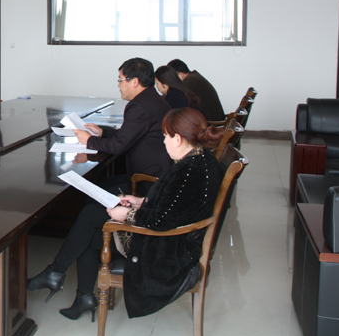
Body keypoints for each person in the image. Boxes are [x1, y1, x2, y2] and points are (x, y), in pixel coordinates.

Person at [28, 108, 224, 321]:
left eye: (166, 137)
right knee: (90, 222)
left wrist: (127, 215)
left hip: (165, 250)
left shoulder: (188, 172)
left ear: (178, 139)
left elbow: (159, 220)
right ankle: (72, 288)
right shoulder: (201, 160)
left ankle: (61, 278)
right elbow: (176, 205)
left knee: (90, 223)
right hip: (173, 240)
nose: (164, 142)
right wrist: (141, 201)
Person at [74, 58, 173, 194]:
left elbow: (118, 146)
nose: (118, 86)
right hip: (156, 171)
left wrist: (89, 140)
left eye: (120, 80)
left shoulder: (139, 106)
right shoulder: (152, 98)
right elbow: (128, 134)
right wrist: (102, 132)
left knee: (94, 192)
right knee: (103, 183)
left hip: (146, 181)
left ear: (135, 82)